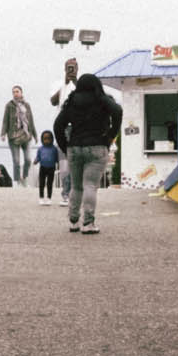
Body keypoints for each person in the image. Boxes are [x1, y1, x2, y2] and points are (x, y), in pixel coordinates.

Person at [53, 72, 122, 234]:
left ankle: (74, 221)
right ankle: (88, 223)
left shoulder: (71, 102)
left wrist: (65, 146)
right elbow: (118, 112)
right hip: (97, 146)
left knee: (76, 187)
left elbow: (57, 125)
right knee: (90, 185)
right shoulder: (104, 101)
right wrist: (110, 136)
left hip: (75, 148)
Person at [49, 57, 80, 204]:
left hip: (77, 126)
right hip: (62, 125)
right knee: (64, 163)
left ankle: (74, 192)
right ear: (64, 68)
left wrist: (75, 82)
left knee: (76, 160)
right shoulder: (59, 83)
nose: (71, 70)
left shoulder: (81, 84)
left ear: (77, 68)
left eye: (73, 67)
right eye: (69, 67)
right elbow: (53, 101)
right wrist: (65, 84)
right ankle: (65, 194)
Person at [0, 85, 37, 186]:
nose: (15, 94)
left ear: (21, 93)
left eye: (17, 91)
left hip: (26, 135)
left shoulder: (27, 105)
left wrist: (35, 135)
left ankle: (24, 177)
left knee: (28, 159)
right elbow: (5, 121)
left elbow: (31, 121)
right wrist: (3, 133)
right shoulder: (9, 105)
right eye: (13, 92)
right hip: (13, 136)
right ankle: (18, 181)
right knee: (16, 161)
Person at [34, 130, 60, 202]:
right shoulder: (40, 149)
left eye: (48, 139)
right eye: (45, 139)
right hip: (42, 168)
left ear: (52, 139)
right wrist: (36, 161)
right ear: (42, 140)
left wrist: (59, 164)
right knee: (41, 183)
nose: (47, 141)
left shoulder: (54, 149)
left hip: (51, 168)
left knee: (49, 183)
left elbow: (57, 158)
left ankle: (49, 198)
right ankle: (41, 197)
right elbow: (38, 157)